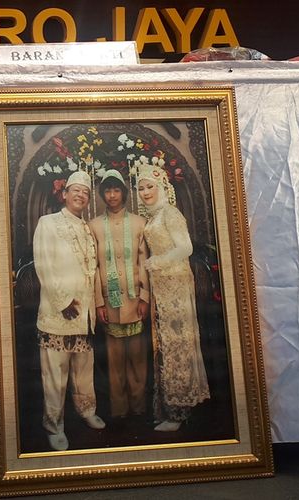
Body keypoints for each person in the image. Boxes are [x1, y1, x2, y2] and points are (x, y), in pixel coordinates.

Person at [32, 170, 106, 451]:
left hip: (84, 317)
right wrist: (64, 302)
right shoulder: (48, 223)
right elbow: (44, 265)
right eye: (75, 190)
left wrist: (92, 307)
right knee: (55, 372)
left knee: (83, 371)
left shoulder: (87, 229)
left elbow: (94, 271)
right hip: (57, 314)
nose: (81, 195)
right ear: (64, 194)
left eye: (86, 193)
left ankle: (87, 411)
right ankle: (54, 424)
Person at [135, 164, 210, 432]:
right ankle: (167, 407)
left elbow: (185, 248)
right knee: (165, 344)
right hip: (161, 288)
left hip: (176, 284)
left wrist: (158, 262)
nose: (145, 192)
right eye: (141, 188)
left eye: (150, 187)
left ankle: (179, 412)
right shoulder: (154, 217)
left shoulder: (170, 213)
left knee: (178, 343)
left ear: (162, 187)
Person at [88, 170, 150, 421]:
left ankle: (139, 407)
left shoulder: (139, 224)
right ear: (102, 195)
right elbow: (94, 268)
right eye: (107, 191)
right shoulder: (93, 226)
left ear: (124, 193)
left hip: (135, 301)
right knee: (114, 361)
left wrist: (145, 297)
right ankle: (119, 410)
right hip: (110, 303)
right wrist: (99, 302)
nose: (112, 195)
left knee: (137, 358)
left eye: (116, 190)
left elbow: (144, 260)